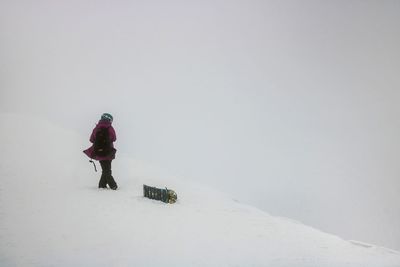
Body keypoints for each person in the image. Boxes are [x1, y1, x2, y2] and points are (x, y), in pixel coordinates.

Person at [83, 113, 118, 190]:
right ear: (110, 120)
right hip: (108, 152)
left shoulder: (96, 128)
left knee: (105, 169)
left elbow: (91, 139)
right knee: (107, 170)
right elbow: (114, 138)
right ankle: (113, 186)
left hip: (98, 152)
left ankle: (102, 185)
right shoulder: (110, 128)